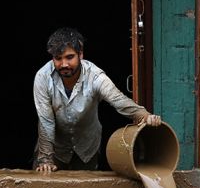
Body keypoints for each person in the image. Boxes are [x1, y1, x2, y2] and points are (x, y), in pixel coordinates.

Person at [33, 27, 161, 173]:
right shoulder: (42, 77)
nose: (64, 64)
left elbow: (117, 99)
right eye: (58, 58)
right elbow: (45, 121)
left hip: (86, 148)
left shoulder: (95, 76)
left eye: (69, 57)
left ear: (80, 54)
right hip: (54, 148)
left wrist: (143, 115)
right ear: (52, 58)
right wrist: (45, 159)